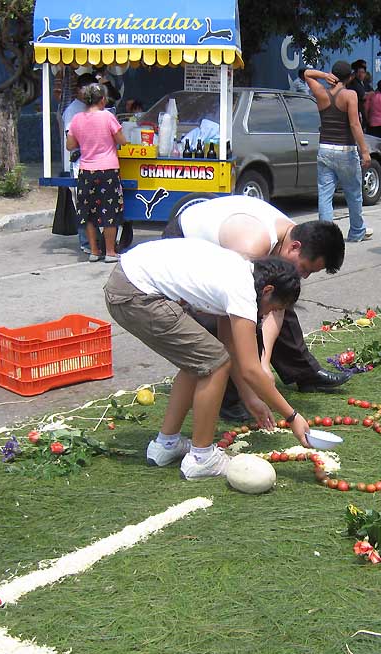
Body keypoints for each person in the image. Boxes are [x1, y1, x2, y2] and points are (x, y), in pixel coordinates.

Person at [104, 241, 312, 478]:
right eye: (273, 307)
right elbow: (251, 370)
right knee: (214, 363)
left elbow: (230, 346)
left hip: (126, 283)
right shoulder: (243, 290)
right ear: (267, 291)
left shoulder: (241, 274)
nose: (266, 315)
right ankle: (202, 458)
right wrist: (292, 416)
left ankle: (166, 444)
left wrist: (250, 398)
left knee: (201, 359)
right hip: (135, 294)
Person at [163, 195, 350, 418]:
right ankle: (229, 397)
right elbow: (234, 314)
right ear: (295, 247)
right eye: (305, 268)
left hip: (229, 246)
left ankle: (304, 372)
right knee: (219, 322)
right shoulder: (251, 246)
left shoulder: (294, 235)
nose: (305, 276)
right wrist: (255, 370)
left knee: (282, 296)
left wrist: (264, 361)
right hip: (185, 241)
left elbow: (277, 308)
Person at [304, 63, 373, 243]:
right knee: (353, 193)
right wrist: (365, 151)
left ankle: (326, 237)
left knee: (325, 196)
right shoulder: (350, 95)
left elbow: (307, 74)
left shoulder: (321, 93)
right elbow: (355, 124)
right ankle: (357, 231)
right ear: (350, 77)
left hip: (325, 149)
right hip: (346, 150)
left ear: (332, 75)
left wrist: (323, 75)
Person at [66, 82, 127, 262]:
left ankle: (94, 251)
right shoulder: (108, 117)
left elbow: (70, 145)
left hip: (86, 171)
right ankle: (110, 252)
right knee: (110, 211)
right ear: (102, 100)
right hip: (108, 170)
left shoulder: (77, 119)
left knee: (89, 212)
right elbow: (122, 140)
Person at [62, 72, 98, 255]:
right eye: (88, 89)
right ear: (78, 90)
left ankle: (96, 241)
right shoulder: (73, 111)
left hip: (95, 163)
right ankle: (86, 242)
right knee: (84, 205)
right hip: (79, 163)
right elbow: (71, 142)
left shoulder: (95, 109)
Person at [348, 59, 369, 128]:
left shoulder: (364, 82)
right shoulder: (354, 82)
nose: (361, 74)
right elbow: (363, 95)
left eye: (363, 72)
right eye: (360, 72)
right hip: (357, 109)